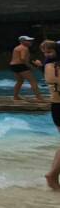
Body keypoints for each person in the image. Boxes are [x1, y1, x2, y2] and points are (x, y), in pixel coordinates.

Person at [41, 40, 60, 189]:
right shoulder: (55, 67)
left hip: (56, 107)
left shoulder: (48, 66)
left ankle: (53, 175)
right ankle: (53, 174)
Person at [11, 35, 44, 101]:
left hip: (13, 65)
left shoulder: (17, 47)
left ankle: (15, 97)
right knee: (33, 81)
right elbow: (23, 59)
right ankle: (39, 98)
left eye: (30, 40)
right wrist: (30, 66)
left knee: (19, 81)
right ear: (22, 41)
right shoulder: (24, 48)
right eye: (28, 41)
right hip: (21, 65)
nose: (30, 42)